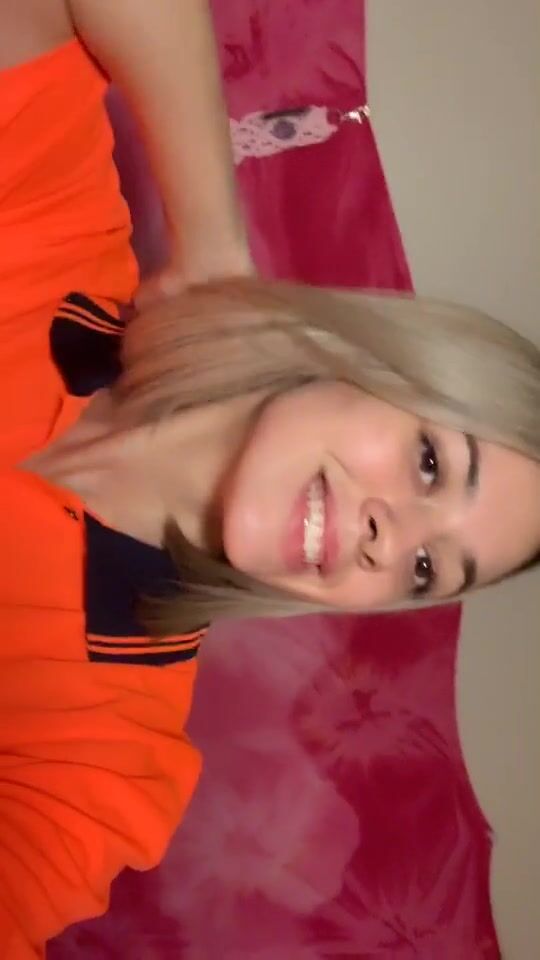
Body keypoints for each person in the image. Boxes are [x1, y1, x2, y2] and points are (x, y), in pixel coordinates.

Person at [1, 4, 539, 958]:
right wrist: (214, 243)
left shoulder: (107, 752)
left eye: (425, 570)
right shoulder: (58, 236)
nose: (389, 537)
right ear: (363, 362)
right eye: (429, 463)